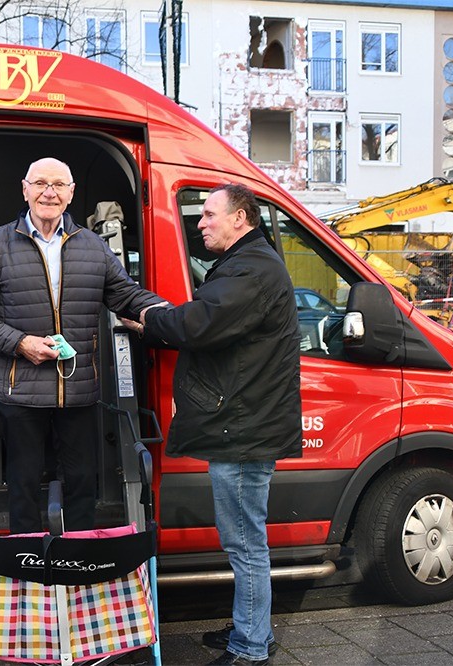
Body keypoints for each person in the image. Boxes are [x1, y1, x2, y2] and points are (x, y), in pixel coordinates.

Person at [0, 157, 165, 534]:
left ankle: (79, 561)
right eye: (40, 184)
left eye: (57, 185)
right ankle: (29, 564)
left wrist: (165, 313)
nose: (48, 192)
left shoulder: (93, 246)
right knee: (23, 485)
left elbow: (125, 295)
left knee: (83, 483)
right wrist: (21, 343)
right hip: (21, 391)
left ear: (71, 194)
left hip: (80, 389)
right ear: (25, 189)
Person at [139, 183, 302, 666]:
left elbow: (199, 324)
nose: (201, 222)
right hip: (244, 424)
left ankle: (252, 647)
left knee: (245, 543)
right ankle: (251, 628)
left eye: (210, 214)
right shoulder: (248, 265)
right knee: (244, 540)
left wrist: (148, 321)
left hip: (243, 431)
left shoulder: (250, 270)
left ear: (241, 218)